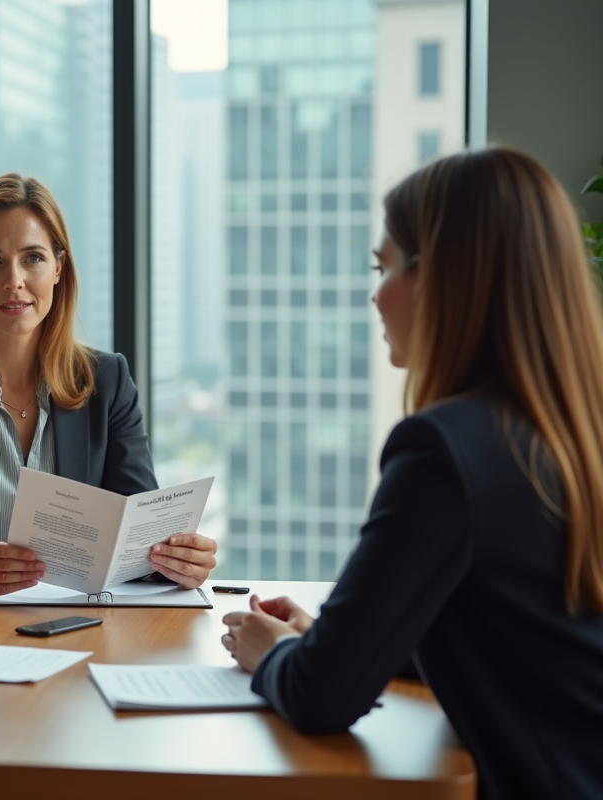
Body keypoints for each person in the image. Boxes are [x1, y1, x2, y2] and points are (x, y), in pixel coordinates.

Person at [221, 148, 603, 799]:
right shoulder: (571, 429)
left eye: (384, 266)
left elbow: (319, 700)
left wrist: (273, 654)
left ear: (439, 278)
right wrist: (335, 640)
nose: (376, 294)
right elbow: (519, 634)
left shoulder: (442, 450)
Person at [0, 173, 217, 598]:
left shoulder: (106, 381)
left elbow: (135, 532)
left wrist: (176, 560)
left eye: (32, 258)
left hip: (82, 624)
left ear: (57, 269)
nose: (14, 280)